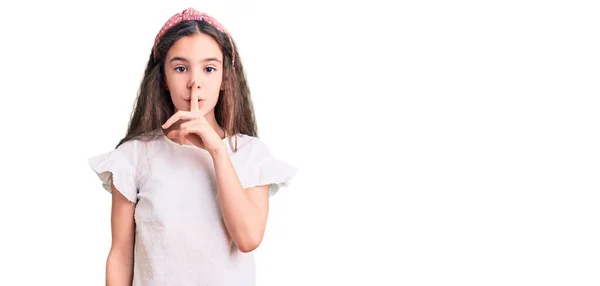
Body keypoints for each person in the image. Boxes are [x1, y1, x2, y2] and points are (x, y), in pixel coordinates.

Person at [88, 7, 297, 285]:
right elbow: (121, 254)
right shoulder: (133, 157)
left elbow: (248, 238)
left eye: (209, 68)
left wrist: (217, 150)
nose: (194, 83)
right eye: (181, 68)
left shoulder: (251, 155)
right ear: (163, 77)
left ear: (224, 79)